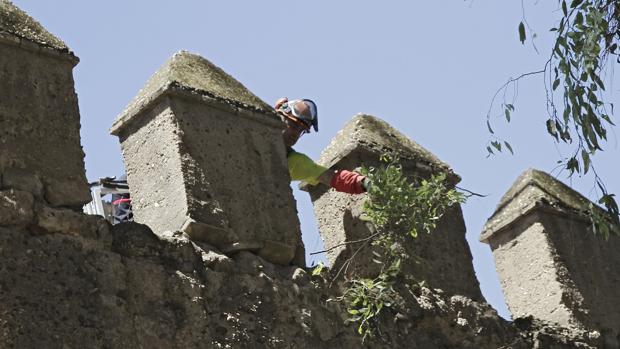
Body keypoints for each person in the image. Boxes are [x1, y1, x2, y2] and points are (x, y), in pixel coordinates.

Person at [275, 97, 369, 194]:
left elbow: (332, 177)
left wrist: (365, 183)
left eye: (301, 130)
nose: (296, 134)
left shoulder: (294, 161)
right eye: (294, 126)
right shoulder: (258, 133)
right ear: (278, 118)